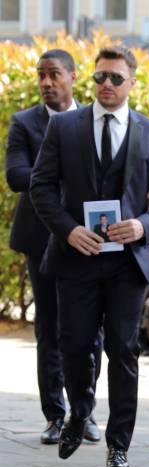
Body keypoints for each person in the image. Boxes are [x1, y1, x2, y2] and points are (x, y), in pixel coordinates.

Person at [30, 45, 149, 467]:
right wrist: (68, 229)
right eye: (99, 78)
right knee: (74, 346)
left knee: (123, 351)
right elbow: (41, 188)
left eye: (115, 78)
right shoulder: (65, 128)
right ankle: (79, 410)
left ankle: (119, 445)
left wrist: (143, 225)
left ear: (131, 83)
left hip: (126, 263)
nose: (106, 85)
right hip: (76, 257)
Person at [5, 49, 101, 446]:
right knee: (48, 329)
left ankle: (86, 413)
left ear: (73, 77)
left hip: (89, 239)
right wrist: (62, 174)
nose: (46, 82)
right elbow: (16, 175)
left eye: (54, 75)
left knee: (88, 332)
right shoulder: (25, 122)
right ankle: (55, 415)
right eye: (41, 75)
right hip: (42, 239)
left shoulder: (96, 120)